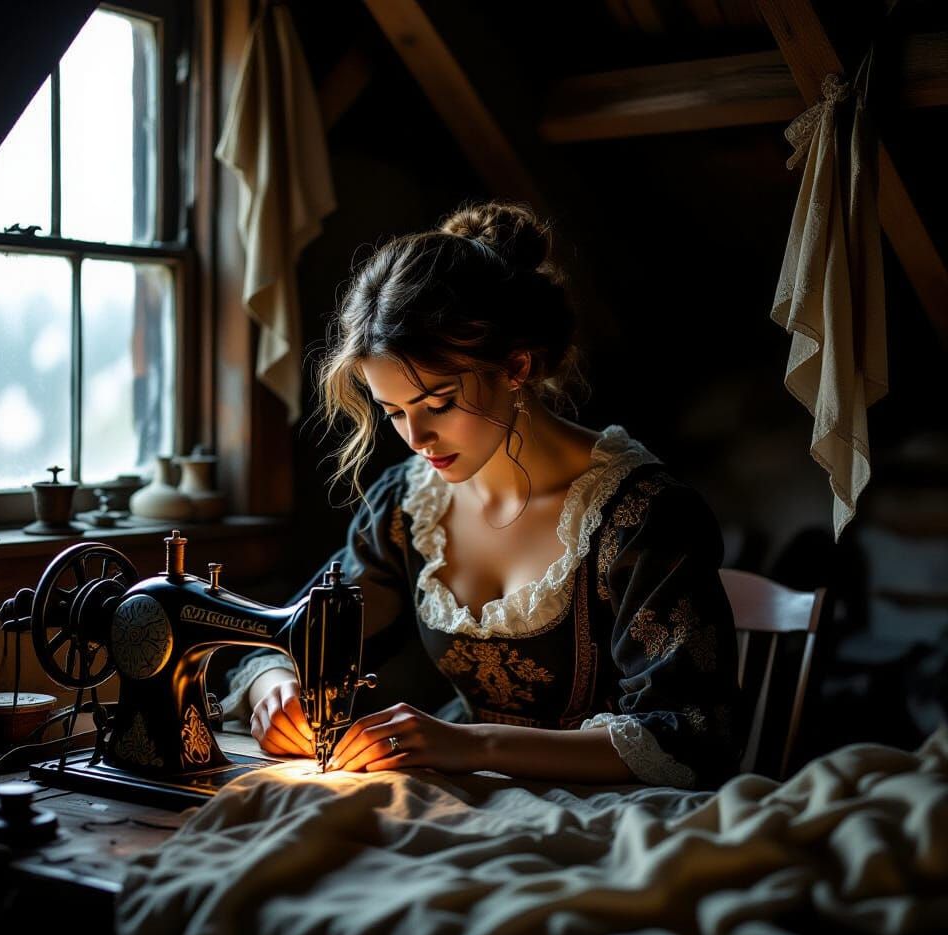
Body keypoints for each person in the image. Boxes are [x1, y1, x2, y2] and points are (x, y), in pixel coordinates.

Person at [223, 201, 742, 788]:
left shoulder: (642, 515)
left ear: (516, 366)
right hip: (471, 792)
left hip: (616, 805)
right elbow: (292, 638)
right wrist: (276, 688)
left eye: (438, 404)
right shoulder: (409, 508)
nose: (417, 438)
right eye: (393, 412)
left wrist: (470, 744)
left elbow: (693, 734)